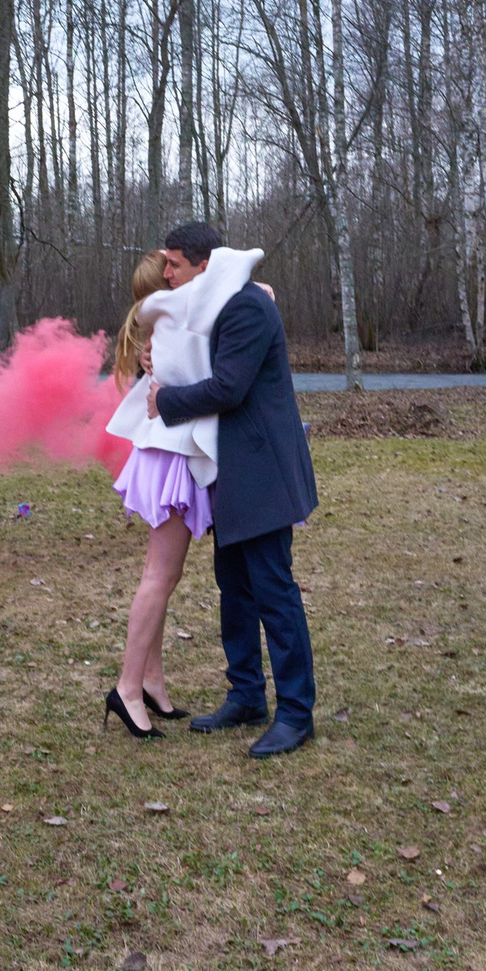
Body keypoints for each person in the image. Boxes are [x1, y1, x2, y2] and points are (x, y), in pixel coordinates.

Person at [147, 220, 319, 758]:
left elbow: (229, 386)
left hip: (262, 471)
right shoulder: (215, 303)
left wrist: (166, 402)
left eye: (173, 262)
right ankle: (246, 694)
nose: (166, 271)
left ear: (203, 263)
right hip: (233, 472)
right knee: (235, 587)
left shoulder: (243, 306)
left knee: (273, 591)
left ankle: (296, 713)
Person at [98, 249, 233, 736]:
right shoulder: (174, 326)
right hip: (171, 455)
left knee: (162, 575)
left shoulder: (162, 327)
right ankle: (128, 688)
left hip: (163, 454)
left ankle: (150, 680)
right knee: (160, 576)